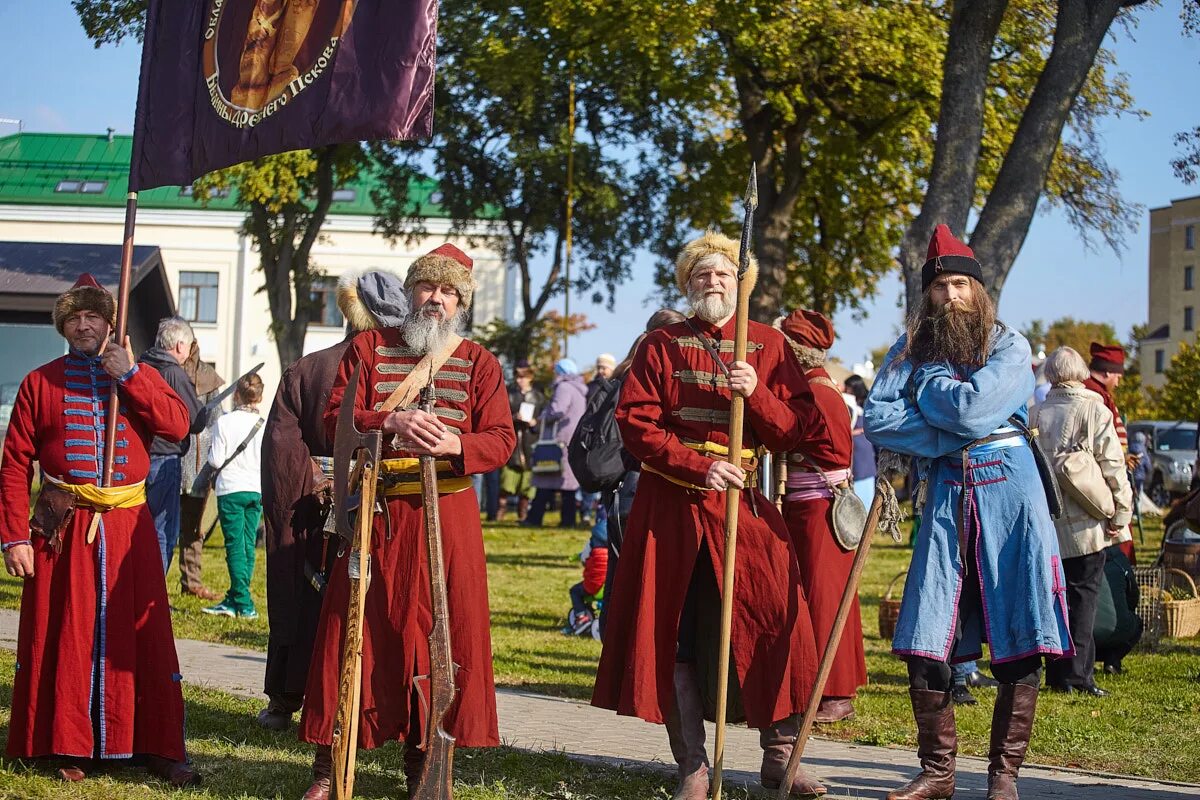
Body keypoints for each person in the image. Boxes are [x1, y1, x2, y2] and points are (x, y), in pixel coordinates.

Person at [593, 231, 831, 799]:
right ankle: (693, 768)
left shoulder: (769, 346)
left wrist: (760, 396)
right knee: (673, 631)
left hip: (745, 506)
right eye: (703, 273)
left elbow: (803, 429)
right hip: (670, 507)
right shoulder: (661, 345)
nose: (714, 281)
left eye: (725, 273)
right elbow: (637, 424)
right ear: (688, 283)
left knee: (776, 619)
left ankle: (781, 759)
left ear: (740, 284)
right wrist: (698, 468)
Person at [298, 244, 516, 800]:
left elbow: (502, 439)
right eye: (427, 288)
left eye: (448, 292)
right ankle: (331, 762)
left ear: (460, 301)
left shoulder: (480, 361)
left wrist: (455, 442)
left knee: (439, 635)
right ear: (411, 291)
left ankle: (425, 760)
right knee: (353, 629)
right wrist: (389, 418)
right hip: (379, 508)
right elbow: (331, 421)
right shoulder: (369, 349)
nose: (435, 300)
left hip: (449, 514)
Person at [865, 225, 1073, 800]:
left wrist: (930, 396)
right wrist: (948, 428)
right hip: (946, 499)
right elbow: (878, 420)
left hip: (1012, 499)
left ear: (978, 290)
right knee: (926, 633)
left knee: (1019, 634)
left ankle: (1003, 776)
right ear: (927, 294)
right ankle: (938, 773)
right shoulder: (908, 350)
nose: (951, 295)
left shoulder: (1011, 345)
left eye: (961, 284)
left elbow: (977, 408)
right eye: (940, 287)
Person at [0, 274, 199, 785]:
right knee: (67, 634)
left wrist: (131, 375)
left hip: (128, 525)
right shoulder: (39, 382)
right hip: (61, 524)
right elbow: (15, 463)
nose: (84, 325)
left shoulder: (136, 373)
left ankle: (151, 742)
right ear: (63, 325)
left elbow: (179, 426)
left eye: (93, 316)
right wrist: (15, 537)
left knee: (144, 637)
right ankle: (68, 741)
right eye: (75, 318)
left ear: (109, 322)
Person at [257, 267, 405, 731]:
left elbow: (283, 453)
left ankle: (289, 701)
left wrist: (306, 495)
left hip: (335, 503)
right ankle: (316, 701)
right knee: (330, 595)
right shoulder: (318, 368)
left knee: (320, 597)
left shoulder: (309, 366)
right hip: (345, 506)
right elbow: (284, 446)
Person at [778, 309, 867, 725]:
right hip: (806, 509)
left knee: (826, 599)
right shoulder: (812, 388)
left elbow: (791, 435)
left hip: (819, 510)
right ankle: (816, 685)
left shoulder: (818, 394)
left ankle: (834, 692)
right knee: (816, 595)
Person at [1031, 346, 1132, 697]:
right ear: (1081, 372)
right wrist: (1121, 511)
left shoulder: (1036, 412)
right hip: (1087, 520)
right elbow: (1113, 465)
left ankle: (1056, 671)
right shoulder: (1094, 408)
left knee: (1053, 598)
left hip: (1047, 519)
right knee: (1084, 598)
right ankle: (1077, 676)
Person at [600, 308, 687, 641]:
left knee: (622, 571)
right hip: (636, 481)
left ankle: (617, 645)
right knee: (637, 574)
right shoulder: (644, 371)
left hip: (622, 484)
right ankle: (626, 650)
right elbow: (640, 432)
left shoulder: (626, 368)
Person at [138, 316, 209, 573]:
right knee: (162, 529)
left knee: (137, 529)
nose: (189, 353)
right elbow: (196, 420)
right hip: (165, 459)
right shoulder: (174, 373)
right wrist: (205, 411)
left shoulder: (141, 365)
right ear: (180, 346)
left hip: (138, 457)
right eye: (189, 347)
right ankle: (152, 594)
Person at [201, 373, 267, 619]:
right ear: (259, 396)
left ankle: (244, 602)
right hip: (255, 488)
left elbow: (216, 459)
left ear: (237, 394)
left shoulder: (225, 423)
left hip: (231, 488)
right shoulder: (264, 423)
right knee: (248, 544)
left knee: (234, 546)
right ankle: (234, 597)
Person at [178, 340, 225, 601]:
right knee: (157, 531)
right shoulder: (168, 373)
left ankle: (191, 582)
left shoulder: (207, 378)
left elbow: (217, 423)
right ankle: (151, 584)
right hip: (171, 464)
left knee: (195, 530)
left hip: (199, 468)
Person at [1084, 341, 1137, 565]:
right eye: (1117, 375)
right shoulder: (1093, 395)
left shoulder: (1101, 394)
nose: (1119, 381)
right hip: (1101, 480)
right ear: (1107, 371)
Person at [524, 358, 588, 528]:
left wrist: (542, 416)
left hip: (558, 440)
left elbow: (558, 410)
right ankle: (568, 521)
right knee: (567, 485)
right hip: (571, 439)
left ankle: (534, 518)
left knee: (546, 477)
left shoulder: (564, 387)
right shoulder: (579, 389)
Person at [500, 360, 545, 522]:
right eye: (517, 377)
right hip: (513, 440)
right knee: (507, 479)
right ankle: (501, 511)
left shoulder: (538, 397)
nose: (519, 380)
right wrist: (514, 418)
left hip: (529, 441)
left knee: (527, 480)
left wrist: (535, 423)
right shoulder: (509, 393)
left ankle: (523, 513)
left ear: (530, 378)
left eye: (522, 377)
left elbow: (543, 420)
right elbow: (500, 415)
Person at [563, 514, 608, 637]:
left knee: (575, 591)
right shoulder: (617, 548)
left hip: (594, 585)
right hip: (610, 585)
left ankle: (582, 617)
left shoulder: (592, 545)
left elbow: (584, 558)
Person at [843, 374, 877, 509]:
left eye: (848, 387)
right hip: (855, 452)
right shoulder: (848, 403)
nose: (846, 390)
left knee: (865, 483)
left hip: (864, 452)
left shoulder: (867, 402)